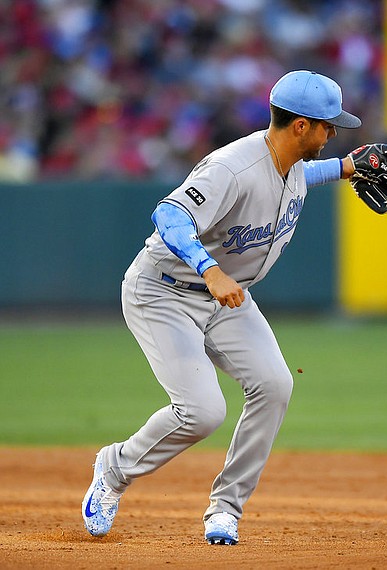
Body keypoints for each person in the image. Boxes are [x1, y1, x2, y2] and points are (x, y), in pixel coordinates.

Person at [82, 70, 366, 545]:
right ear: (300, 126)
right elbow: (169, 214)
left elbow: (298, 176)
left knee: (274, 385)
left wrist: (343, 168)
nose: (332, 133)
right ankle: (113, 469)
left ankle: (226, 509)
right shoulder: (231, 167)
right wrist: (210, 269)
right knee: (202, 411)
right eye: (327, 125)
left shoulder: (289, 161)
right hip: (164, 291)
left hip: (226, 299)